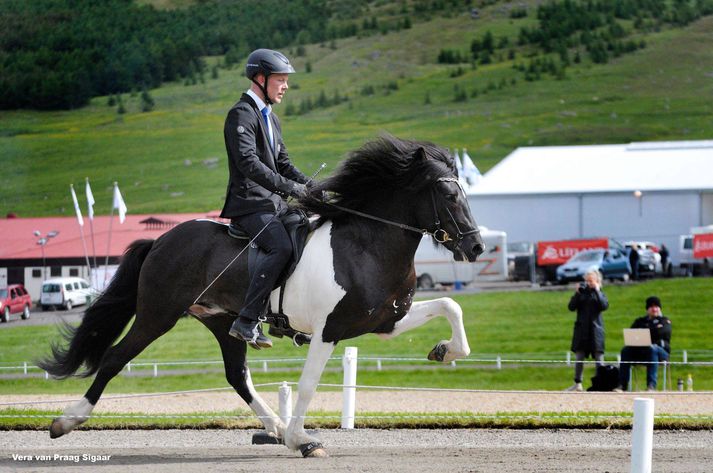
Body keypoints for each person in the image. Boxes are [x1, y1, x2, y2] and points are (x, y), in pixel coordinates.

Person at [219, 48, 309, 349]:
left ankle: (289, 319)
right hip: (248, 203)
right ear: (261, 78)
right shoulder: (241, 114)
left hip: (272, 203)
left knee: (305, 230)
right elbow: (248, 164)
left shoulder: (271, 118)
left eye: (286, 81)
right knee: (280, 246)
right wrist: (289, 188)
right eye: (280, 80)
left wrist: (313, 186)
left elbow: (283, 164)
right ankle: (246, 321)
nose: (285, 86)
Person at [615, 296, 672, 391]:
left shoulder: (665, 321)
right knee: (626, 350)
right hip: (641, 351)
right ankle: (622, 385)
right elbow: (632, 334)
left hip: (661, 353)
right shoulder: (640, 321)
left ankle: (651, 385)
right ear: (647, 309)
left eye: (656, 306)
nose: (654, 309)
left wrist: (646, 330)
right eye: (651, 307)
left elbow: (663, 332)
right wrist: (654, 328)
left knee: (652, 348)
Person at [565, 270, 609, 391]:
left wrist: (597, 290)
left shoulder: (600, 294)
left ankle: (601, 384)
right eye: (587, 281)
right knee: (579, 357)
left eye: (591, 281)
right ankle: (577, 383)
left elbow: (604, 306)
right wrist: (577, 293)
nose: (588, 283)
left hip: (596, 330)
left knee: (599, 358)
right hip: (581, 329)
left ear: (597, 281)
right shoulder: (581, 294)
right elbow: (571, 307)